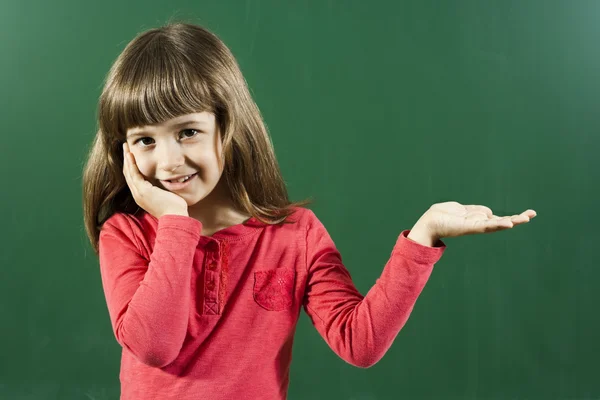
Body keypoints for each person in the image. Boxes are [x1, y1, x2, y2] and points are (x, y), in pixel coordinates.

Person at [82, 22, 536, 400]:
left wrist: (425, 234)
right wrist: (176, 224)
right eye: (145, 140)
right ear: (124, 151)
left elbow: (360, 342)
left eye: (188, 132)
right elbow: (154, 346)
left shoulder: (295, 235)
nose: (168, 161)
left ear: (228, 126)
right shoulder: (125, 234)